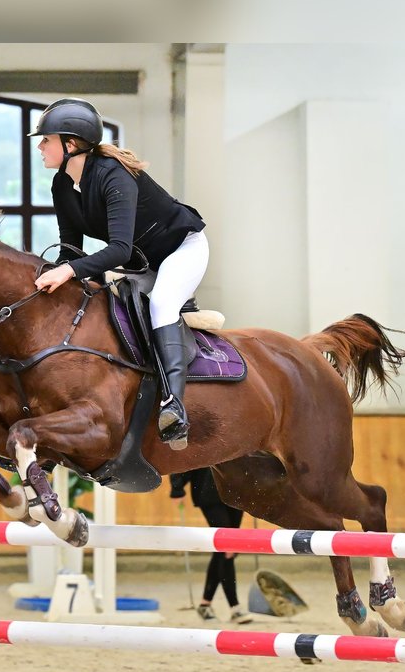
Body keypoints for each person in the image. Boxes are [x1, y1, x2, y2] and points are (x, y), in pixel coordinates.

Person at [29, 98, 207, 450]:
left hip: (180, 251)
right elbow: (71, 251)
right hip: (141, 263)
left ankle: (175, 407)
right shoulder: (63, 184)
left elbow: (119, 250)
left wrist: (68, 270)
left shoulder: (114, 176)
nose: (39, 146)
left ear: (70, 144)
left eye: (45, 139)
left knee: (162, 307)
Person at [170, 467, 252, 625]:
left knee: (226, 550)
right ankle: (235, 607)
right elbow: (188, 456)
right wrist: (177, 486)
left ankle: (205, 604)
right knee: (227, 548)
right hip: (209, 491)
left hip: (237, 491)